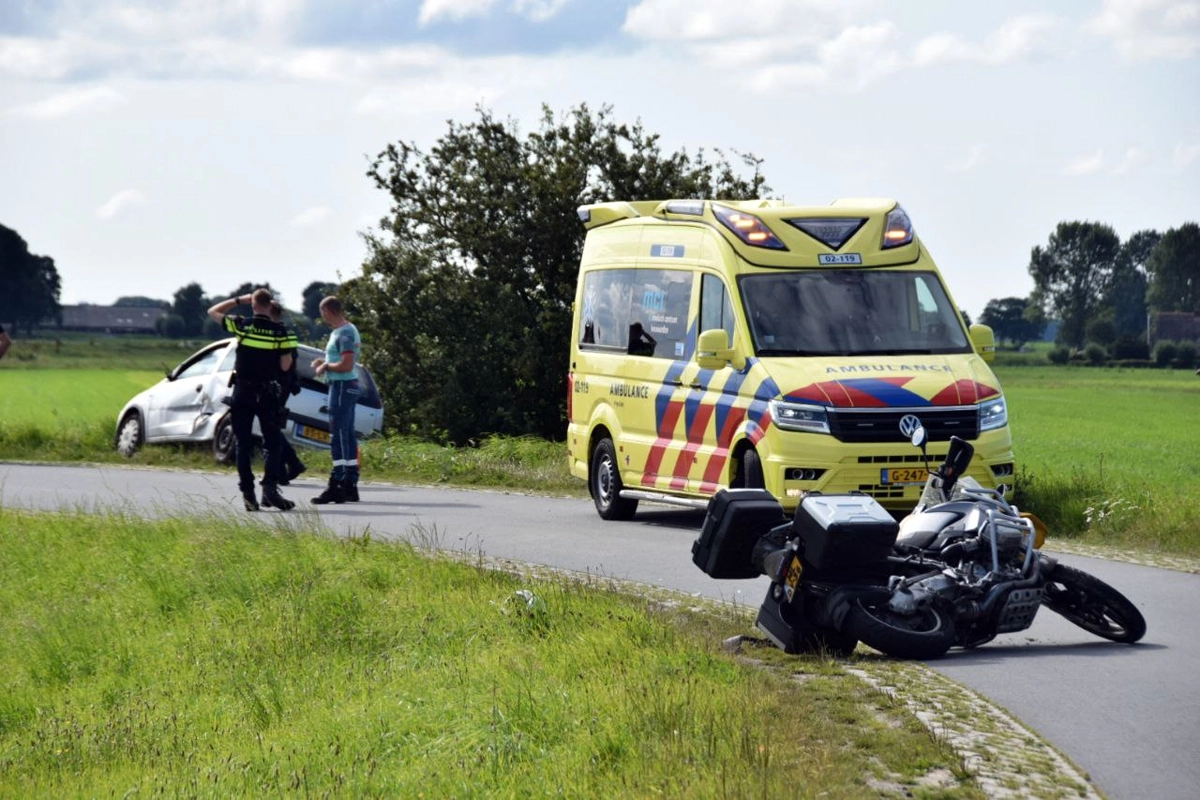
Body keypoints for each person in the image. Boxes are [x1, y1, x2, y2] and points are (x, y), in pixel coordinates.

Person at [207, 288, 298, 512]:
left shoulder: (242, 325)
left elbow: (213, 311)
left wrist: (239, 300)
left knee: (243, 444)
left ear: (253, 304)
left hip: (242, 392)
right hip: (268, 393)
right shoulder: (282, 332)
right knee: (273, 442)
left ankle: (249, 495)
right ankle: (270, 489)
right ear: (270, 305)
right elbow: (286, 366)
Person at [311, 296, 362, 504]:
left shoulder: (345, 332)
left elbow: (347, 364)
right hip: (344, 386)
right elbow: (341, 360)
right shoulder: (343, 331)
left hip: (342, 387)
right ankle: (350, 483)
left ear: (327, 310)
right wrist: (326, 361)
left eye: (322, 312)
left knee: (338, 436)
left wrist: (326, 367)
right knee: (347, 435)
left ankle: (338, 483)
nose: (321, 316)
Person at [268, 301, 307, 485]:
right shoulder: (287, 333)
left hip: (276, 385)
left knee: (271, 427)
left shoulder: (276, 332)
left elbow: (286, 362)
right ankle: (285, 468)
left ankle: (290, 465)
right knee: (273, 427)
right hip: (284, 384)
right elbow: (295, 362)